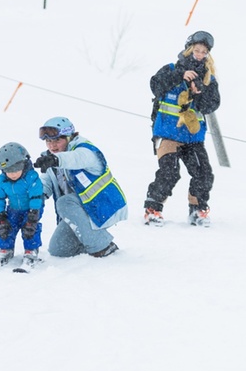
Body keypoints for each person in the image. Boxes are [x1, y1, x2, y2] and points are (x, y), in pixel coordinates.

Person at [143, 30, 220, 227]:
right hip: (167, 134)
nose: (200, 55)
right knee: (170, 172)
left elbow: (211, 105)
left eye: (204, 52)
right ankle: (152, 209)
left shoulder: (208, 79)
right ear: (188, 50)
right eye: (197, 50)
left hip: (193, 138)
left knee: (204, 173)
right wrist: (180, 76)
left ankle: (197, 211)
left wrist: (199, 93)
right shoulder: (171, 69)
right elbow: (155, 85)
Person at [33, 117, 127, 258]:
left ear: (69, 138)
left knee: (64, 201)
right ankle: (91, 240)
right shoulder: (51, 158)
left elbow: (75, 158)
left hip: (102, 205)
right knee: (58, 249)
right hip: (78, 211)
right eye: (48, 141)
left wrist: (56, 160)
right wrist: (34, 198)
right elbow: (45, 184)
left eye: (57, 140)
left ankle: (103, 247)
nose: (52, 146)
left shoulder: (85, 150)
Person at [0, 142, 44, 269]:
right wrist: (0, 215)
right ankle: (5, 249)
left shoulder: (32, 178)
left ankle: (31, 251)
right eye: (8, 170)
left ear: (24, 164)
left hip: (32, 208)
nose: (13, 174)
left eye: (16, 169)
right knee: (7, 227)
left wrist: (33, 214)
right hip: (13, 209)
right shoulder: (2, 180)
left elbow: (36, 196)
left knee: (30, 228)